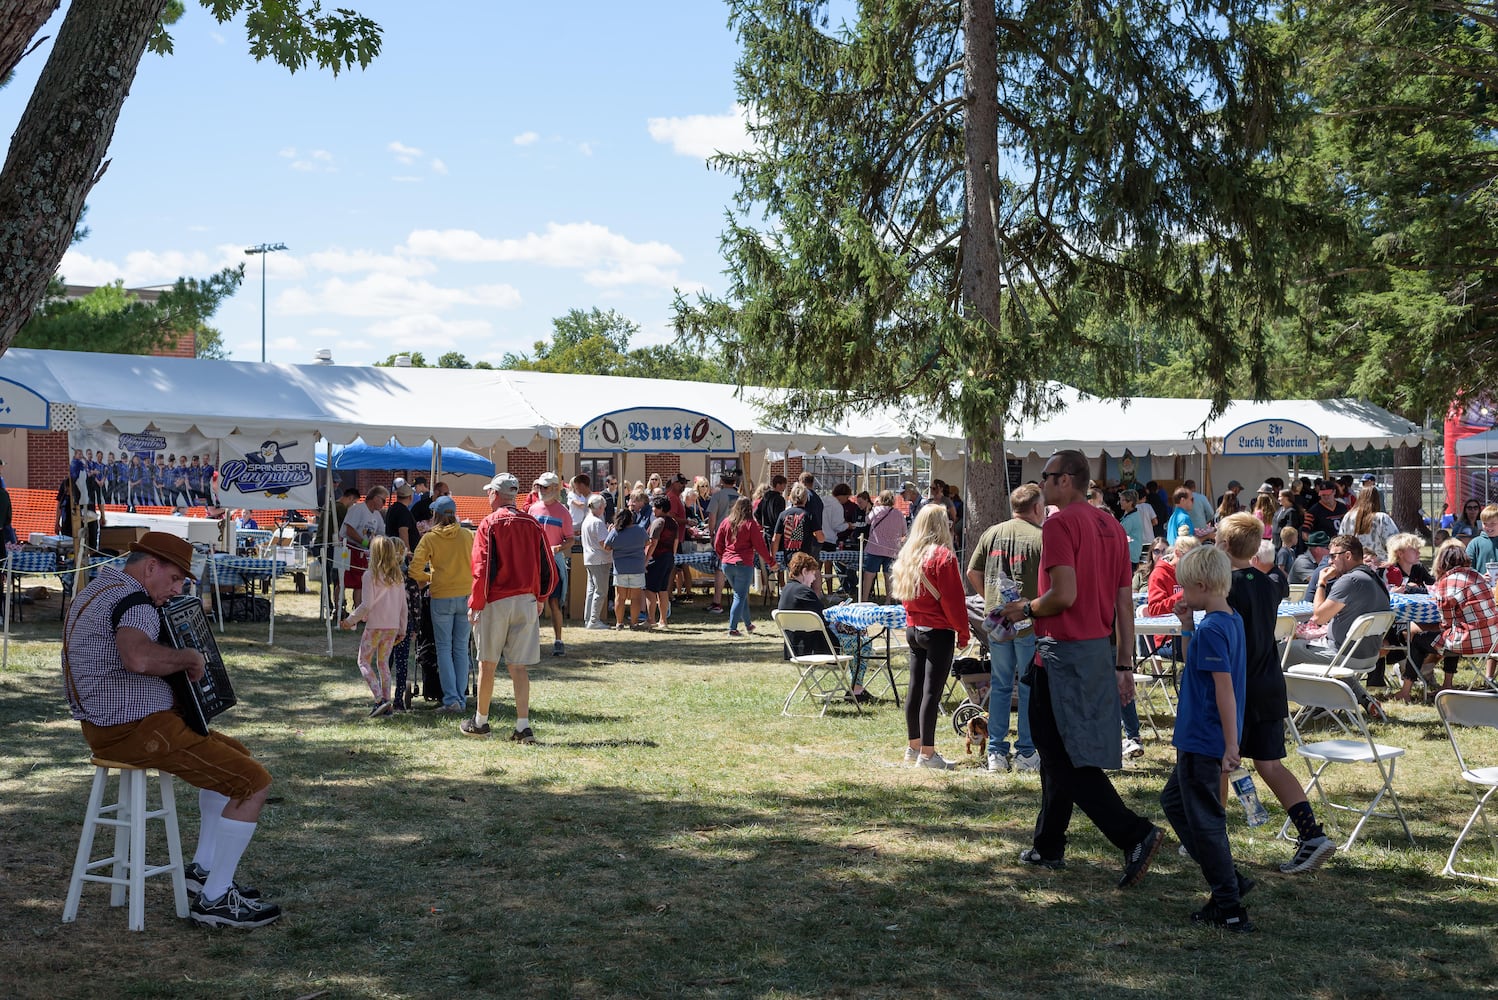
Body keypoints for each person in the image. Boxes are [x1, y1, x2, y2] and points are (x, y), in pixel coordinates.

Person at [63, 531, 280, 928]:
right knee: (253, 781)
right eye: (176, 579)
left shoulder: (101, 586)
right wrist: (187, 658)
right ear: (151, 567)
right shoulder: (137, 602)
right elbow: (137, 657)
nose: (176, 589)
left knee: (238, 760)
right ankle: (214, 901)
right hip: (135, 730)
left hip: (109, 725)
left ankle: (203, 872)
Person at [1000, 449, 1166, 885]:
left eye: (1047, 476)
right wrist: (1123, 661)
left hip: (1060, 652)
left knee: (1062, 757)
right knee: (1059, 754)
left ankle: (1134, 833)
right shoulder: (1110, 524)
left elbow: (1064, 595)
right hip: (1095, 650)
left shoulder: (1058, 523)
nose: (1042, 483)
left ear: (1067, 480)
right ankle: (1048, 843)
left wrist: (1024, 609)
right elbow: (1124, 602)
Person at [1217, 513, 1335, 874]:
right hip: (1269, 680)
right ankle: (1311, 834)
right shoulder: (1270, 583)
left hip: (1240, 684)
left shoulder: (1225, 588)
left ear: (1222, 546)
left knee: (1219, 763)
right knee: (1269, 763)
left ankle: (1211, 837)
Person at [1160, 544, 1253, 931]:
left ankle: (1229, 903)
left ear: (1201, 585)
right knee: (1174, 802)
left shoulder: (1216, 629)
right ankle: (1229, 879)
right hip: (1199, 736)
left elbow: (1224, 689)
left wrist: (1231, 745)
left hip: (1204, 738)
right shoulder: (1227, 620)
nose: (1181, 595)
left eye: (1185, 589)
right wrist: (1185, 626)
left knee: (1205, 820)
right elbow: (1193, 661)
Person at [463, 473, 553, 743]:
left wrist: (475, 603)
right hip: (526, 599)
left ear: (495, 494)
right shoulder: (533, 523)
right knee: (519, 667)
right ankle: (523, 726)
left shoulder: (489, 523)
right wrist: (541, 598)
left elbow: (481, 568)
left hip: (496, 600)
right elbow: (547, 564)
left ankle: (481, 722)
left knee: (487, 664)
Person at [966, 483, 1044, 774]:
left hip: (997, 621)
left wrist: (991, 601)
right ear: (1037, 508)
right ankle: (1026, 751)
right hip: (1028, 618)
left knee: (999, 685)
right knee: (1027, 686)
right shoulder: (1041, 537)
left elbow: (972, 572)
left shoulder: (992, 532)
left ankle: (997, 752)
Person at [892, 503, 969, 769]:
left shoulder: (908, 555)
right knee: (931, 693)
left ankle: (913, 748)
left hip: (914, 627)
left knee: (915, 690)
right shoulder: (943, 557)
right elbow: (954, 600)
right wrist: (963, 631)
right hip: (937, 629)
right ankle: (928, 753)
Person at [1283, 534, 1389, 719]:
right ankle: (1360, 699)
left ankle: (1317, 701)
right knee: (1324, 654)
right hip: (1368, 655)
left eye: (1333, 556)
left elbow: (1318, 617)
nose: (1329, 561)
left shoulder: (1350, 580)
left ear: (1347, 555)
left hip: (1344, 653)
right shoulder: (1375, 578)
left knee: (1279, 650)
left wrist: (1321, 583)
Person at [1400, 541, 1498, 699]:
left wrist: (1422, 626)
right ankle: (1447, 684)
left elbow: (1446, 624)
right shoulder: (1477, 576)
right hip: (1492, 640)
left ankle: (1405, 692)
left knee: (1419, 640)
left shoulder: (1447, 583)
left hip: (1468, 641)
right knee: (1452, 634)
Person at [407, 495, 475, 714]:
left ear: (434, 514)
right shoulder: (467, 535)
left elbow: (414, 571)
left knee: (444, 649)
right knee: (461, 649)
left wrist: (431, 578)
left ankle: (451, 699)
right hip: (465, 596)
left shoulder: (429, 538)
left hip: (441, 597)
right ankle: (461, 700)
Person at [340, 535, 408, 717]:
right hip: (392, 626)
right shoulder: (398, 577)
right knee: (383, 664)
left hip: (375, 626)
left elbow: (366, 604)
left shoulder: (369, 575)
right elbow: (403, 607)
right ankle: (387, 703)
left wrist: (350, 620)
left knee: (363, 661)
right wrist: (403, 628)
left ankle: (380, 699)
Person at [528, 472, 575, 657]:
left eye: (545, 487)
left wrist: (558, 548)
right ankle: (531, 640)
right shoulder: (533, 509)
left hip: (553, 564)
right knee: (531, 602)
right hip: (535, 563)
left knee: (554, 602)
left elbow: (571, 539)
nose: (541, 490)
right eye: (540, 486)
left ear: (556, 488)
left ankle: (558, 640)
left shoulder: (563, 512)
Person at [715, 496, 774, 636]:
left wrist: (723, 556)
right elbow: (760, 547)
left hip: (727, 564)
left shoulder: (726, 522)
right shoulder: (750, 524)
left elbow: (718, 543)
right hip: (743, 564)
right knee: (740, 595)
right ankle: (733, 628)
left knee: (739, 594)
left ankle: (748, 624)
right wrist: (771, 562)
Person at [342, 486, 387, 611]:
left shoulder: (377, 514)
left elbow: (381, 533)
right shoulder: (358, 509)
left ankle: (358, 610)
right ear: (376, 498)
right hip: (347, 548)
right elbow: (349, 530)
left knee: (360, 582)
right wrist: (366, 542)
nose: (384, 503)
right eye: (383, 500)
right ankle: (339, 609)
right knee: (342, 580)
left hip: (362, 551)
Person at [604, 508, 648, 629]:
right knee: (636, 597)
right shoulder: (640, 530)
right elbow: (647, 542)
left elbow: (606, 547)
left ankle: (619, 623)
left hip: (620, 568)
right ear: (631, 519)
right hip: (637, 568)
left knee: (620, 597)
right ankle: (634, 623)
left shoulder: (615, 532)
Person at [704, 472, 741, 614]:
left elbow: (712, 516)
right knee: (738, 568)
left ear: (722, 481)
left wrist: (711, 533)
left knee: (720, 569)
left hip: (722, 535)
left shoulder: (718, 496)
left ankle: (717, 602)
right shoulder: (741, 497)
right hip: (738, 536)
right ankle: (739, 601)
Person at [643, 494, 679, 629]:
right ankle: (663, 621)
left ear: (661, 508)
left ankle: (651, 619)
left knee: (650, 590)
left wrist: (646, 560)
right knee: (663, 590)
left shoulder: (658, 522)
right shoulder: (673, 522)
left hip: (656, 558)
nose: (653, 509)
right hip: (669, 558)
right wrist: (672, 556)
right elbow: (675, 541)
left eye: (655, 507)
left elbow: (653, 543)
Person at [862, 489, 905, 602]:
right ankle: (888, 600)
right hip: (892, 549)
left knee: (869, 575)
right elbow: (904, 532)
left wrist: (871, 508)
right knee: (888, 576)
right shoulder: (899, 514)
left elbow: (867, 520)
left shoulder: (876, 511)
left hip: (875, 548)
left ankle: (864, 599)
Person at [579, 494, 614, 630]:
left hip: (589, 559)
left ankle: (589, 618)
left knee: (591, 590)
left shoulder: (586, 520)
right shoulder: (597, 522)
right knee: (600, 591)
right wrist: (610, 533)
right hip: (600, 560)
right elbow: (604, 545)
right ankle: (594, 620)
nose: (604, 510)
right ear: (599, 507)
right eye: (603, 507)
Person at [1348, 485, 1399, 566]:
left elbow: (1343, 542)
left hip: (1355, 565)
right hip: (1380, 565)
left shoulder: (1348, 517)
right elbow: (1396, 543)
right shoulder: (1382, 518)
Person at [1118, 489, 1154, 567]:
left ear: (1130, 502)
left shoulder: (1131, 518)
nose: (1120, 502)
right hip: (1134, 553)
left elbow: (1119, 534)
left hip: (1130, 555)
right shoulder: (1132, 515)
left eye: (1123, 500)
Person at [1465, 503, 1498, 576]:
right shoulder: (1475, 543)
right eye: (1485, 523)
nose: (1488, 527)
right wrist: (1480, 577)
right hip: (1480, 585)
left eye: (1493, 523)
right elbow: (1467, 567)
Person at [385, 479, 418, 551]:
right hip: (400, 554)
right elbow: (403, 532)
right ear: (410, 497)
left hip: (393, 549)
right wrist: (407, 552)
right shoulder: (403, 511)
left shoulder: (393, 508)